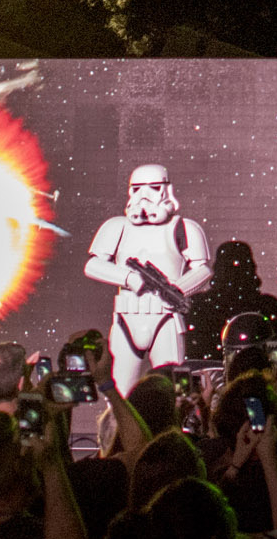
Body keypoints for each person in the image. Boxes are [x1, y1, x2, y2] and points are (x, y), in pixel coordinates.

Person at [86, 163, 215, 393]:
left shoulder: (184, 228)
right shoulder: (117, 227)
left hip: (165, 318)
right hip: (127, 317)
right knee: (119, 394)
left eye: (153, 188)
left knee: (172, 392)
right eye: (137, 189)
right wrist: (128, 278)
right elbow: (93, 265)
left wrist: (177, 290)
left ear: (166, 189)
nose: (144, 196)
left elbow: (202, 271)